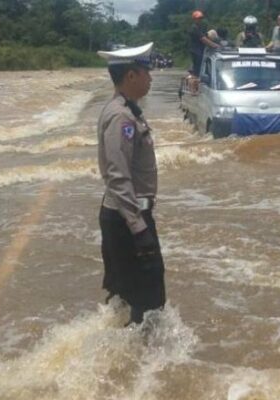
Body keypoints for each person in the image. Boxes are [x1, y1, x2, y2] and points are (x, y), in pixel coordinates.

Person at [96, 42, 166, 326]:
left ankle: (124, 355)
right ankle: (141, 361)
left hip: (125, 215)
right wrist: (139, 228)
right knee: (149, 300)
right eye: (146, 72)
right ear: (131, 76)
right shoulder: (122, 117)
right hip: (128, 219)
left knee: (128, 294)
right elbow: (117, 174)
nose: (151, 78)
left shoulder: (127, 109)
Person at [188, 10, 219, 77]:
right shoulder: (194, 28)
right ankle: (196, 79)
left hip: (199, 49)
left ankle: (197, 76)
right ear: (194, 19)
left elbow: (205, 37)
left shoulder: (199, 28)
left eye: (201, 18)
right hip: (196, 50)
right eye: (198, 18)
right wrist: (214, 45)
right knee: (198, 68)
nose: (200, 20)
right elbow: (203, 39)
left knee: (201, 66)